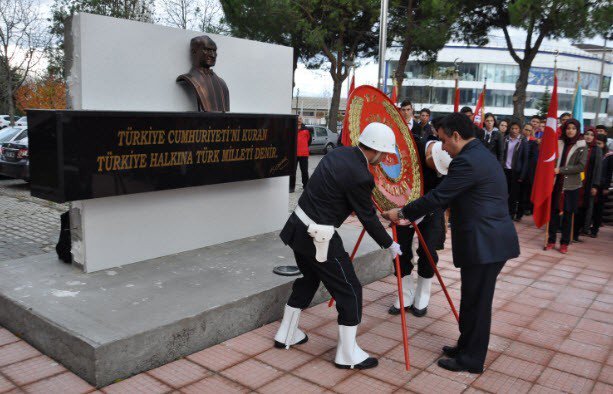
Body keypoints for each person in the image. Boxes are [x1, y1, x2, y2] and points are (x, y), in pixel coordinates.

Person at [382, 113, 519, 374]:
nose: (442, 148)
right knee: (470, 300)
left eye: (444, 141)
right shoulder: (479, 154)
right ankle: (465, 346)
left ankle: (471, 360)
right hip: (486, 240)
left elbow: (439, 196)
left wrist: (400, 213)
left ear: (456, 136)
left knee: (477, 303)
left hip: (485, 243)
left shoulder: (467, 161)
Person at [275, 122, 401, 370]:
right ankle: (347, 354)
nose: (385, 158)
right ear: (375, 150)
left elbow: (344, 195)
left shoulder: (340, 153)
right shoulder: (361, 174)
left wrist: (378, 212)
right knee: (350, 289)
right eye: (385, 153)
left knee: (309, 279)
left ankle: (286, 334)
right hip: (318, 237)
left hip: (297, 227)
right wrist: (390, 244)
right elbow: (365, 215)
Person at [390, 118, 449, 318]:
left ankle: (422, 294)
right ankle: (404, 293)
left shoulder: (449, 159)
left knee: (428, 251)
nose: (437, 174)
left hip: (432, 208)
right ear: (430, 156)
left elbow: (446, 193)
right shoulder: (411, 144)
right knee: (400, 250)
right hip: (403, 207)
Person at [545, 119, 587, 254]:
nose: (570, 131)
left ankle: (564, 243)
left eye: (573, 128)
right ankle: (551, 240)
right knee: (553, 213)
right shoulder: (559, 142)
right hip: (556, 183)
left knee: (568, 215)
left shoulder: (582, 145)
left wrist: (561, 170)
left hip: (571, 185)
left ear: (577, 130)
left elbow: (581, 166)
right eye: (568, 128)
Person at [176, 35, 230, 112]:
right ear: (194, 52)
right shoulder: (190, 78)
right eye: (207, 50)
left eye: (214, 51)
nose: (213, 55)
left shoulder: (222, 83)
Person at [573, 128, 602, 242]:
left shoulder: (597, 150)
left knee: (584, 209)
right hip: (575, 181)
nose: (588, 137)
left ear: (594, 137)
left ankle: (576, 233)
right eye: (586, 134)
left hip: (588, 183)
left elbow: (598, 168)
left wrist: (595, 185)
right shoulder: (578, 146)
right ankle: (569, 232)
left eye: (591, 135)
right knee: (572, 207)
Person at [503, 121, 529, 222]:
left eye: (516, 129)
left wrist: (522, 175)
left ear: (520, 130)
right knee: (505, 193)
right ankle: (504, 212)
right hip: (505, 170)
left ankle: (512, 213)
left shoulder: (523, 141)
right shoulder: (505, 139)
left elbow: (525, 159)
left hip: (516, 171)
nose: (514, 131)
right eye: (512, 128)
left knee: (514, 195)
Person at [589, 134, 612, 238]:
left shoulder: (609, 156)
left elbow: (609, 173)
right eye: (596, 143)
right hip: (591, 183)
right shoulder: (592, 152)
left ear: (604, 144)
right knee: (590, 207)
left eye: (600, 144)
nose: (598, 145)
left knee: (599, 208)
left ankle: (595, 230)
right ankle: (587, 227)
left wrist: (606, 187)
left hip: (602, 185)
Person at [521, 123, 539, 216]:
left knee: (528, 189)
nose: (527, 131)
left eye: (529, 130)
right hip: (519, 168)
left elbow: (534, 159)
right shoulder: (519, 140)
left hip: (529, 170)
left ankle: (527, 208)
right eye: (525, 129)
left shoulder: (534, 142)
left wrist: (527, 169)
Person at [289, 116, 311, 193]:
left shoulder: (306, 129)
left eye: (300, 119)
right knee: (292, 171)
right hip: (293, 153)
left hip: (304, 154)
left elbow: (309, 140)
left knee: (304, 171)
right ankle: (291, 187)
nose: (299, 120)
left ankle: (306, 186)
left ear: (302, 120)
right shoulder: (292, 129)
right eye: (297, 119)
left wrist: (304, 146)